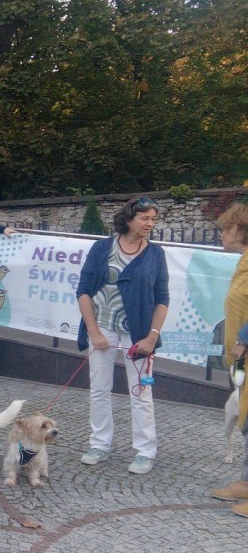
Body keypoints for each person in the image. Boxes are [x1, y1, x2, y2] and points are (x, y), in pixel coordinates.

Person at [76, 197, 169, 476]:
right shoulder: (102, 248)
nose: (150, 224)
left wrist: (152, 336)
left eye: (153, 219)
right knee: (99, 389)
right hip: (102, 327)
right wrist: (93, 331)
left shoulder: (156, 253)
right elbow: (83, 291)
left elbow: (162, 298)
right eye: (145, 218)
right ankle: (99, 444)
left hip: (139, 333)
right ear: (129, 219)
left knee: (140, 392)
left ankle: (144, 451)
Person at [210, 202, 248, 517]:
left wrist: (244, 338)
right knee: (246, 422)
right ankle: (247, 483)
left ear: (236, 228)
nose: (221, 234)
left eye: (223, 228)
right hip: (243, 358)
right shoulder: (244, 262)